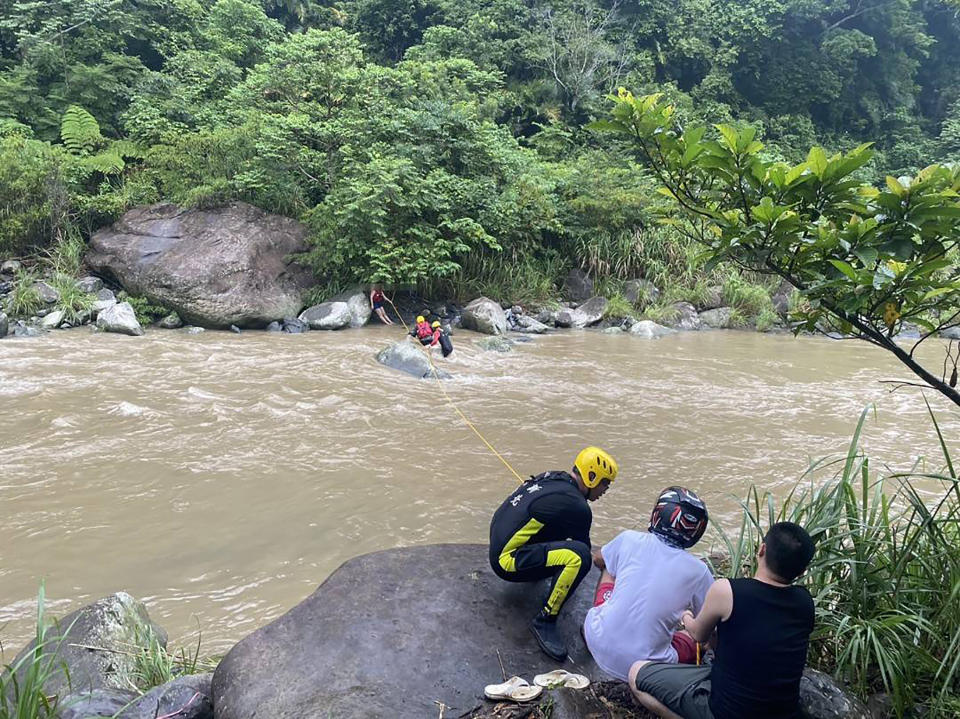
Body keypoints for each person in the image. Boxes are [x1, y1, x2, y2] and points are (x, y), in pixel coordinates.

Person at [629, 521, 816, 719]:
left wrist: (686, 616)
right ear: (802, 571)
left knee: (635, 673)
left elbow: (698, 635)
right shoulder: (805, 603)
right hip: (783, 713)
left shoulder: (727, 590)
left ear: (762, 550)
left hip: (726, 712)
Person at [489, 447, 618, 662]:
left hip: (499, 541)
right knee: (579, 558)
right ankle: (546, 620)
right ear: (592, 477)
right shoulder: (578, 507)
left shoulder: (556, 477)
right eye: (605, 482)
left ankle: (541, 571)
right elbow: (587, 551)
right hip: (506, 560)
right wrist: (607, 562)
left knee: (565, 538)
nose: (606, 489)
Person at [584, 487, 712, 681]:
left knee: (609, 568)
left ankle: (603, 619)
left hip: (595, 638)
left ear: (658, 514)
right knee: (693, 639)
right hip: (645, 669)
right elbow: (710, 626)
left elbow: (599, 559)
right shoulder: (699, 571)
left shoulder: (629, 539)